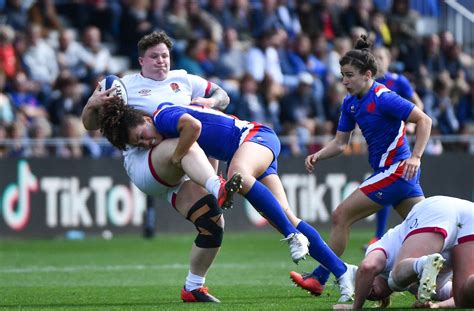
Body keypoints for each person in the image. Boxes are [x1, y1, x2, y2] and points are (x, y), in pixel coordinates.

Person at [98, 97, 358, 303]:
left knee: (239, 176)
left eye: (142, 135)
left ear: (145, 118)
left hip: (254, 137)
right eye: (140, 144)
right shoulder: (162, 127)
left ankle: (292, 236)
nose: (146, 142)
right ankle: (344, 272)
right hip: (249, 146)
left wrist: (178, 157)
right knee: (285, 215)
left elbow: (195, 127)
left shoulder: (163, 116)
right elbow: (205, 143)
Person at [82, 31, 233, 303]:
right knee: (185, 137)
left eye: (165, 55)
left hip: (181, 167)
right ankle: (216, 185)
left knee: (213, 222)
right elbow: (91, 124)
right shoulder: (125, 86)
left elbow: (222, 95)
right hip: (145, 162)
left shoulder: (184, 79)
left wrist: (210, 102)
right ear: (141, 61)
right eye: (154, 56)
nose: (161, 61)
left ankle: (194, 287)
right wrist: (92, 103)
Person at [293, 35, 432, 294]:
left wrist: (416, 156)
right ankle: (445, 286)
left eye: (349, 75)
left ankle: (320, 277)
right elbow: (340, 142)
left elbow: (424, 120)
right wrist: (318, 155)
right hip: (394, 174)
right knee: (427, 228)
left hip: (398, 170)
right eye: (342, 75)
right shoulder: (350, 103)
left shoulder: (384, 97)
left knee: (340, 215)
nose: (344, 81)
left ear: (367, 75)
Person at [333, 195, 473, 309]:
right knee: (463, 299)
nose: (370, 293)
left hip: (437, 208)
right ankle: (422, 264)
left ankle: (423, 262)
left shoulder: (379, 249)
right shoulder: (418, 287)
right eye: (371, 297)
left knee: (395, 280)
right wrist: (436, 305)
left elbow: (367, 267)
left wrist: (355, 306)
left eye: (365, 289)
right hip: (469, 215)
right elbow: (453, 295)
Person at [365, 46, 425, 249]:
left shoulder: (398, 81)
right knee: (388, 189)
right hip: (380, 144)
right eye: (376, 58)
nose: (379, 61)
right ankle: (385, 236)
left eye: (382, 57)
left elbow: (418, 105)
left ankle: (389, 237)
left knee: (393, 187)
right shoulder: (370, 84)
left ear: (389, 60)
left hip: (398, 144)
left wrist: (408, 124)